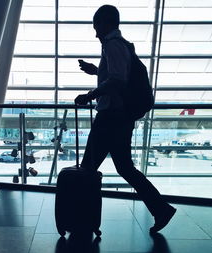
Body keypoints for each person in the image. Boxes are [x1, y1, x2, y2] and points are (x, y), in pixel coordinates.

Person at [74, 5, 176, 233]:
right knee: (124, 168)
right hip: (120, 117)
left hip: (111, 117)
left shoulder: (113, 45)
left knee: (88, 169)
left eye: (96, 26)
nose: (96, 32)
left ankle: (84, 221)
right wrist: (96, 71)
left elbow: (118, 81)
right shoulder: (121, 46)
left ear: (105, 23)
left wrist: (89, 95)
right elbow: (118, 76)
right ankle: (161, 209)